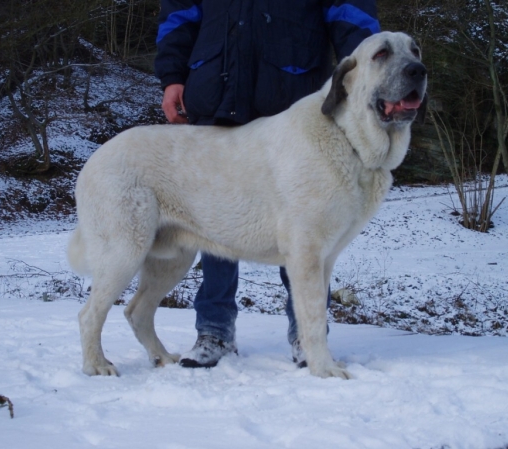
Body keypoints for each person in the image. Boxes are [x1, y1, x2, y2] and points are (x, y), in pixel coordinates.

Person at [154, 0, 380, 368]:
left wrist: (373, 74)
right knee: (215, 218)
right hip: (217, 92)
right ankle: (214, 330)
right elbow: (178, 16)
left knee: (306, 227)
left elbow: (350, 15)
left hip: (294, 95)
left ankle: (309, 337)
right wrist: (172, 76)